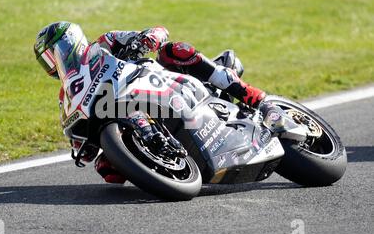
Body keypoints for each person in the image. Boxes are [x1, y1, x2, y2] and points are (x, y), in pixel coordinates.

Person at [34, 22, 284, 184]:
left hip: (159, 81)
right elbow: (77, 138)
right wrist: (83, 145)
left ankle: (258, 99)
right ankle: (168, 166)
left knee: (174, 50)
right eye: (47, 59)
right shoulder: (65, 96)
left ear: (71, 40)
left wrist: (146, 39)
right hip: (121, 112)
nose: (54, 61)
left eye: (54, 52)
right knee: (107, 170)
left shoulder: (105, 42)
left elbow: (158, 31)